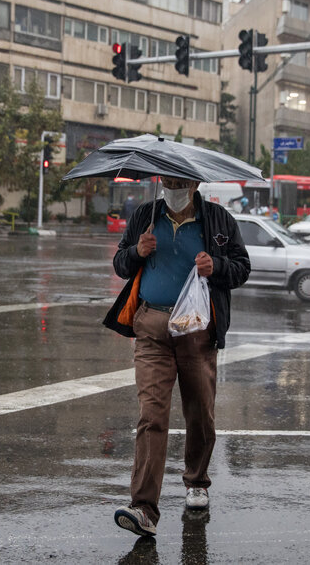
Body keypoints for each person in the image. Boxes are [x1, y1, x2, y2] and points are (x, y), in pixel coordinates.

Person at [104, 176, 251, 538]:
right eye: (167, 180)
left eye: (180, 180)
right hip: (151, 327)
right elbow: (121, 264)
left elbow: (242, 267)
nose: (173, 185)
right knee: (151, 416)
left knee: (200, 411)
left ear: (196, 182)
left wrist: (215, 266)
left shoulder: (217, 220)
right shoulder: (145, 216)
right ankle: (143, 508)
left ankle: (196, 481)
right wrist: (137, 251)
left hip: (197, 329)